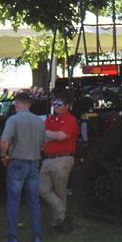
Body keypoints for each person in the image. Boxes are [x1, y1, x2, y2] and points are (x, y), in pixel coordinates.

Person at [0, 91, 45, 242]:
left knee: (14, 201)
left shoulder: (13, 120)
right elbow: (42, 142)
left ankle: (13, 240)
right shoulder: (39, 121)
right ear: (29, 104)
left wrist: (3, 155)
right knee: (34, 202)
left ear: (17, 103)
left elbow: (5, 140)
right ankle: (37, 239)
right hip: (34, 162)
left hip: (17, 161)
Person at [40, 95, 79, 233]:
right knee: (42, 189)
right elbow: (43, 136)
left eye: (59, 103)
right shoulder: (50, 119)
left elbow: (63, 136)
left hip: (63, 159)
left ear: (67, 106)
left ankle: (59, 221)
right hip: (47, 159)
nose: (56, 105)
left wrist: (49, 134)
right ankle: (61, 212)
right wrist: (52, 135)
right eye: (54, 103)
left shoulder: (70, 119)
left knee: (60, 190)